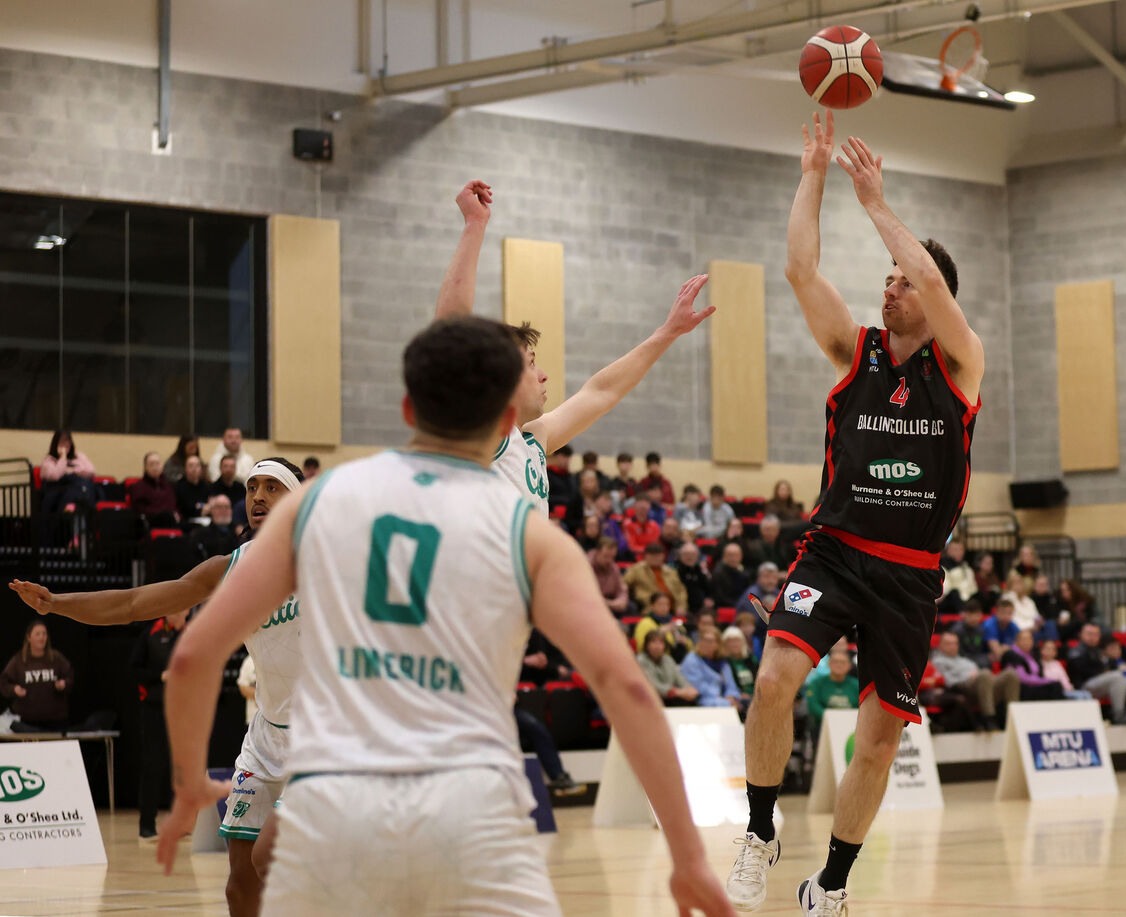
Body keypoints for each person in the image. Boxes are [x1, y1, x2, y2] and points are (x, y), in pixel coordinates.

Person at [152, 316, 733, 917]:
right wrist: (689, 857)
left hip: (337, 795)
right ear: (504, 412)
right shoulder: (528, 534)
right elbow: (626, 690)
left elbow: (194, 656)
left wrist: (192, 780)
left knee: (271, 865)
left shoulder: (320, 502)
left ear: (408, 408)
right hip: (468, 803)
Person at [726, 110, 986, 914]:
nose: (890, 284)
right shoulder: (855, 350)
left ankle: (830, 885)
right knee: (772, 682)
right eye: (887, 277)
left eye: (901, 277)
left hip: (909, 578)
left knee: (878, 740)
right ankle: (761, 830)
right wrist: (812, 173)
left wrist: (876, 202)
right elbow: (801, 270)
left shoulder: (963, 365)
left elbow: (937, 284)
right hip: (835, 551)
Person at [9, 456, 307, 916]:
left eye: (273, 486)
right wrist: (57, 604)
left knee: (270, 859)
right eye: (252, 487)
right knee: (239, 885)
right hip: (267, 738)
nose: (259, 496)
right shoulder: (230, 567)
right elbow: (133, 603)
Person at [434, 180, 715, 518]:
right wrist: (475, 225)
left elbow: (601, 392)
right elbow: (449, 332)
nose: (543, 375)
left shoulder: (534, 441)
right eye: (531, 364)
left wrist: (668, 332)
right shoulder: (486, 433)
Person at [129, 611, 189, 838]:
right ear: (171, 611)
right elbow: (134, 669)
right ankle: (147, 825)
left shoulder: (189, 633)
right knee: (153, 765)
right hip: (154, 708)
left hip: (182, 709)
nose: (187, 614)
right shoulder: (150, 634)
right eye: (183, 610)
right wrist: (160, 676)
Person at [930, 632, 1017, 731]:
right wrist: (970, 677)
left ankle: (1013, 716)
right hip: (963, 690)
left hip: (984, 688)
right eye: (948, 644)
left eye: (955, 643)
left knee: (1010, 674)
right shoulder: (938, 662)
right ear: (940, 645)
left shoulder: (966, 661)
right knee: (984, 674)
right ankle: (989, 719)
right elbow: (948, 682)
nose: (953, 646)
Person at [1067, 624, 1126, 725]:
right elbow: (1080, 670)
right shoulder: (1077, 651)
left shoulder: (1099, 650)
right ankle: (1119, 716)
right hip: (1085, 686)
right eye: (1089, 634)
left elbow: (1111, 666)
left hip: (1107, 683)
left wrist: (1108, 669)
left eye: (1095, 634)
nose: (1092, 637)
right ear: (1081, 635)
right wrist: (1103, 672)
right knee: (1116, 676)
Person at [0, 620, 73, 732]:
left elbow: (70, 676)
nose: (42, 637)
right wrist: (14, 689)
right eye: (38, 634)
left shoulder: (56, 658)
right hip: (27, 723)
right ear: (29, 637)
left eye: (44, 634)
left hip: (55, 721)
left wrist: (64, 684)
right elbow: (4, 682)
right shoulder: (19, 660)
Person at [680, 629, 742, 710]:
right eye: (704, 640)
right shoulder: (692, 659)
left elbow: (731, 684)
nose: (706, 644)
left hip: (724, 699)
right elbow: (697, 685)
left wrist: (731, 696)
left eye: (710, 641)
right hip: (703, 700)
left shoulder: (722, 662)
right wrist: (724, 701)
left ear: (718, 644)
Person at [39, 430, 97, 514]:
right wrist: (63, 457)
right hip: (57, 498)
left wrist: (73, 471)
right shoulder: (49, 461)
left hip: (79, 496)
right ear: (55, 443)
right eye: (62, 441)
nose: (66, 444)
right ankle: (68, 513)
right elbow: (55, 475)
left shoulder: (78, 457)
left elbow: (91, 471)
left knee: (86, 486)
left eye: (68, 440)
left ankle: (75, 513)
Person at [804, 650, 859, 738]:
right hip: (822, 726)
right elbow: (813, 706)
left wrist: (847, 719)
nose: (838, 665)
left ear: (849, 666)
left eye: (842, 662)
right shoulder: (816, 683)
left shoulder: (856, 685)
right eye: (835, 662)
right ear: (828, 664)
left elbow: (861, 708)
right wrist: (832, 718)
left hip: (851, 727)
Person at [638, 629, 699, 705]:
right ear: (646, 645)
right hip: (650, 699)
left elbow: (679, 678)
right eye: (653, 642)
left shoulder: (668, 659)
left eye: (661, 642)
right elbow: (652, 685)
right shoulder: (641, 661)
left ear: (665, 645)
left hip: (669, 697)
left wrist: (689, 688)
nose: (657, 646)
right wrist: (676, 692)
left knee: (692, 700)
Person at [623, 542, 688, 613]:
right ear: (646, 556)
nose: (655, 558)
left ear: (663, 556)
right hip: (649, 607)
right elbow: (623, 584)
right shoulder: (636, 569)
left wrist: (681, 606)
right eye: (652, 556)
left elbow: (681, 591)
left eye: (657, 556)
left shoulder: (671, 571)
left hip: (673, 608)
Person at [1000, 630, 1064, 701]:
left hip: (1034, 686)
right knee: (1054, 686)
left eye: (1029, 639)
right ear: (1016, 641)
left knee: (1055, 686)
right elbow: (1022, 678)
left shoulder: (1033, 655)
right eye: (1024, 639)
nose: (1027, 642)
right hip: (1021, 689)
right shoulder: (1011, 655)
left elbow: (1040, 674)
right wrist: (1045, 681)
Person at [129, 452, 179, 527]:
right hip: (151, 522)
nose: (155, 467)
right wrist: (164, 513)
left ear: (162, 466)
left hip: (172, 521)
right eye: (151, 464)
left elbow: (175, 506)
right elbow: (140, 509)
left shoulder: (169, 486)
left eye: (157, 464)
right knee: (167, 516)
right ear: (145, 467)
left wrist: (177, 514)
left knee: (196, 526)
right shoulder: (138, 487)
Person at [190, 495, 239, 560]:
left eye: (227, 507)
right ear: (212, 510)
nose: (223, 510)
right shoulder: (201, 534)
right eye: (219, 507)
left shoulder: (240, 533)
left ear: (231, 510)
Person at [950, 600, 991, 669]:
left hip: (978, 658)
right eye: (971, 615)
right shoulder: (957, 631)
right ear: (964, 614)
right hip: (961, 661)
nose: (974, 618)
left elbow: (982, 649)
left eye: (977, 615)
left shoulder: (980, 629)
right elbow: (957, 654)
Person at [939, 539, 976, 613]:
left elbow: (973, 588)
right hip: (950, 601)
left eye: (961, 549)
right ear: (948, 551)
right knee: (954, 593)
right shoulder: (943, 567)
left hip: (967, 600)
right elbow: (946, 589)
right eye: (955, 549)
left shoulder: (967, 568)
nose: (959, 552)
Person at [723, 627, 758, 705]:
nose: (734, 644)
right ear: (724, 644)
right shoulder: (724, 662)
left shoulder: (750, 659)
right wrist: (738, 695)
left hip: (755, 695)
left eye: (737, 640)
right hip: (739, 698)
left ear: (743, 642)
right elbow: (728, 685)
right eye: (730, 641)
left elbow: (758, 678)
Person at [710, 542, 750, 609]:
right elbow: (719, 597)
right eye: (730, 555)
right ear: (724, 556)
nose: (733, 558)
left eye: (736, 555)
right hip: (726, 609)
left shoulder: (743, 571)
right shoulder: (718, 573)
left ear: (741, 556)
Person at [675, 542, 712, 613]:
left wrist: (709, 598)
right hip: (683, 607)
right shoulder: (675, 571)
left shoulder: (700, 570)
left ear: (697, 556)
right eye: (686, 554)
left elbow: (708, 588)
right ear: (680, 556)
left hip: (701, 608)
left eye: (693, 554)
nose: (690, 557)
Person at [175, 455, 211, 522]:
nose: (194, 469)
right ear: (186, 468)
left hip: (205, 519)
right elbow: (185, 509)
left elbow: (209, 504)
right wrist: (201, 509)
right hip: (187, 521)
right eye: (191, 465)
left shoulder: (205, 485)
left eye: (197, 466)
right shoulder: (180, 486)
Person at [238, 654, 258, 724]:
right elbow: (242, 687)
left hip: (276, 721)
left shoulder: (276, 658)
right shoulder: (249, 660)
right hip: (253, 719)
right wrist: (261, 696)